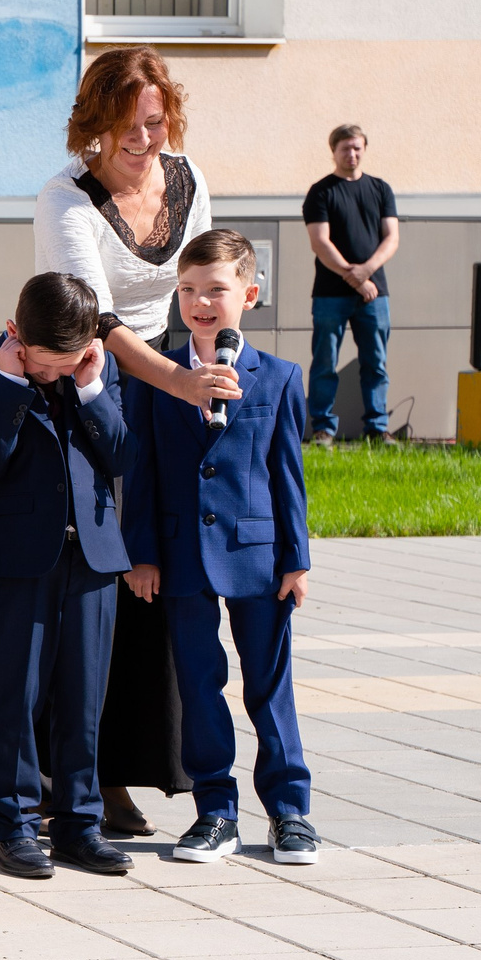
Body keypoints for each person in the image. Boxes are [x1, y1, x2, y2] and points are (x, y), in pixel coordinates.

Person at [29, 47, 237, 837]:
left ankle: (125, 767)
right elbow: (100, 320)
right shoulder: (64, 199)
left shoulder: (188, 179)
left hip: (173, 382)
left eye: (155, 123)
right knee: (90, 580)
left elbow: (202, 282)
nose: (144, 140)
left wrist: (205, 370)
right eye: (126, 127)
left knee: (153, 573)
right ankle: (60, 773)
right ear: (94, 126)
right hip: (89, 390)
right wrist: (174, 382)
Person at [125, 229, 319, 867]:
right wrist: (143, 553)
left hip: (258, 557)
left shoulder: (281, 377)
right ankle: (215, 811)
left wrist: (297, 559)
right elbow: (146, 472)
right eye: (188, 290)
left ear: (250, 294)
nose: (200, 302)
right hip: (181, 556)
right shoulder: (161, 378)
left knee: (268, 684)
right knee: (199, 684)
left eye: (216, 289)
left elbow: (287, 475)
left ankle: (290, 811)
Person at [0, 273, 133, 881]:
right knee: (16, 694)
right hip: (20, 559)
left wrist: (90, 390)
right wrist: (10, 383)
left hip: (93, 559)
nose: (56, 372)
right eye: (45, 362)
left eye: (71, 360)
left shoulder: (93, 378)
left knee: (85, 696)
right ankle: (13, 825)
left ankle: (81, 823)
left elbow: (120, 456)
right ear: (16, 335)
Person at [302, 123, 399, 445]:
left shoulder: (381, 189)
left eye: (357, 147)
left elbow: (391, 238)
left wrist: (367, 272)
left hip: (375, 293)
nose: (352, 153)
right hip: (331, 294)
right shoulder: (321, 191)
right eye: (345, 148)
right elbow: (320, 242)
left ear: (364, 149)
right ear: (334, 151)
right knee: (325, 363)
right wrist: (354, 277)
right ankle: (323, 430)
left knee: (376, 362)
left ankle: (377, 428)